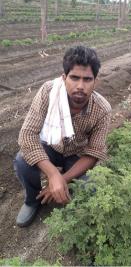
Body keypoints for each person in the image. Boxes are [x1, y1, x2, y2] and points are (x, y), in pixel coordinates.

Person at [13, 46, 111, 227]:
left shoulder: (102, 109)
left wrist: (62, 179)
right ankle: (32, 200)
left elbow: (94, 152)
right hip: (50, 146)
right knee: (22, 160)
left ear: (95, 81)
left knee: (92, 186)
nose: (80, 86)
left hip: (76, 154)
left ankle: (62, 193)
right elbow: (27, 135)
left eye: (87, 79)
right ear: (64, 78)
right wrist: (52, 174)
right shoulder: (48, 92)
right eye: (74, 78)